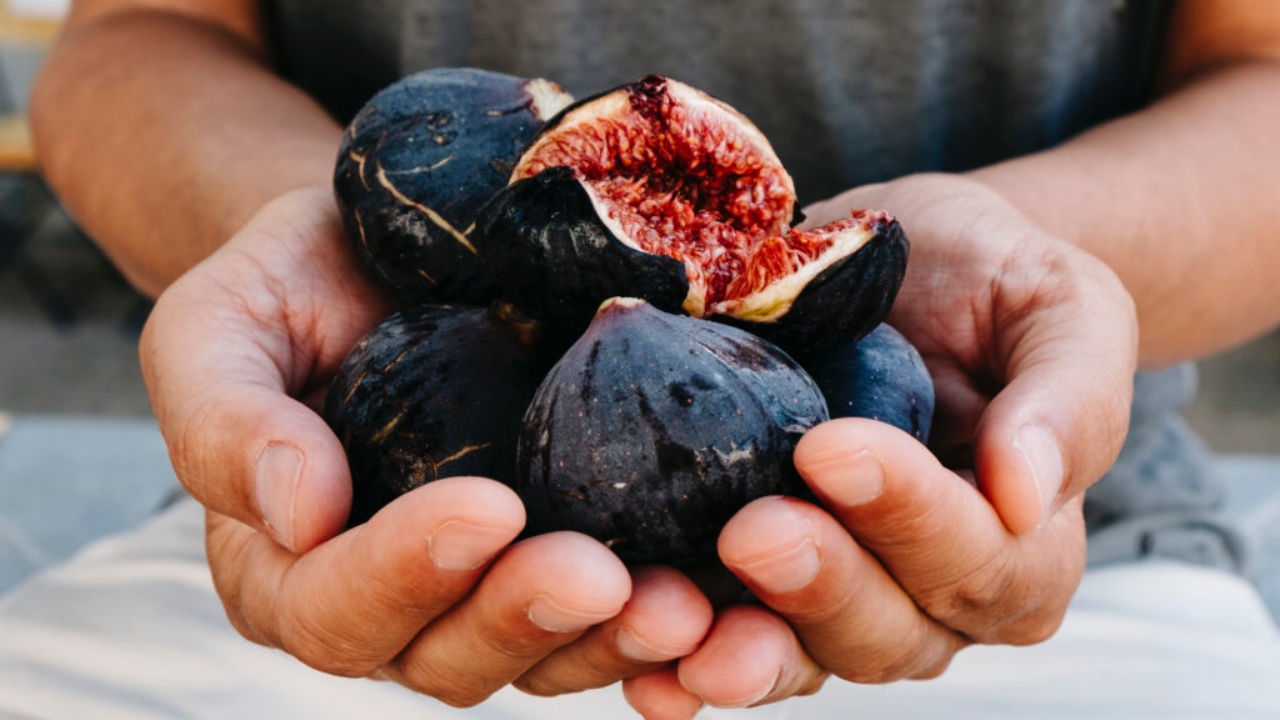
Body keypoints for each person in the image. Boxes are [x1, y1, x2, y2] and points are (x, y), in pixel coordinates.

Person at [3, 0, 1279, 718]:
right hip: (347, 498)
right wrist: (339, 234)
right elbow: (139, 34)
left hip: (1032, 521)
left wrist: (1036, 269)